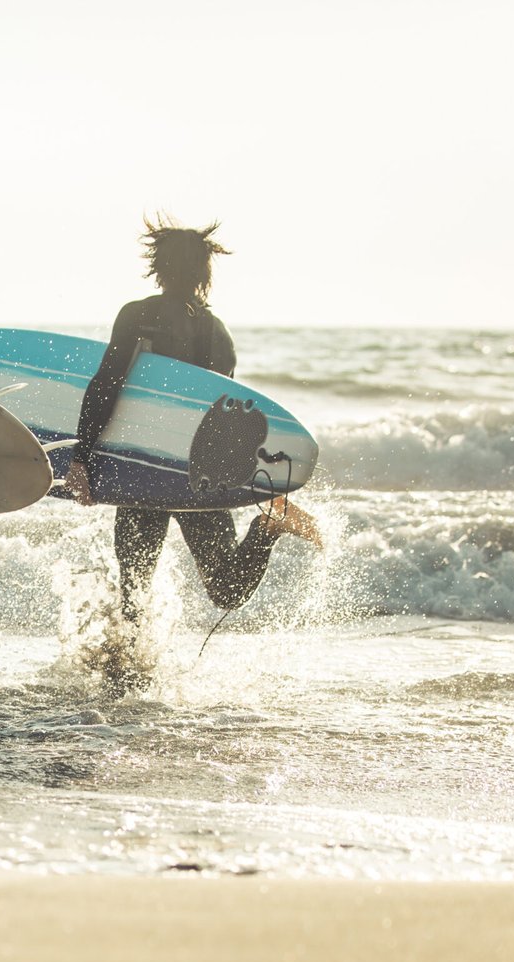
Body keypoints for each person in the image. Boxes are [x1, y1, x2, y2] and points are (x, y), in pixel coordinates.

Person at [64, 217, 319, 671]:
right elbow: (218, 418)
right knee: (227, 590)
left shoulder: (139, 314)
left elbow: (108, 385)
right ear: (204, 273)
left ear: (158, 267)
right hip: (199, 474)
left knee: (135, 589)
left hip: (147, 465)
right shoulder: (219, 334)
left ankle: (125, 680)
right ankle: (266, 529)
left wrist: (83, 456)